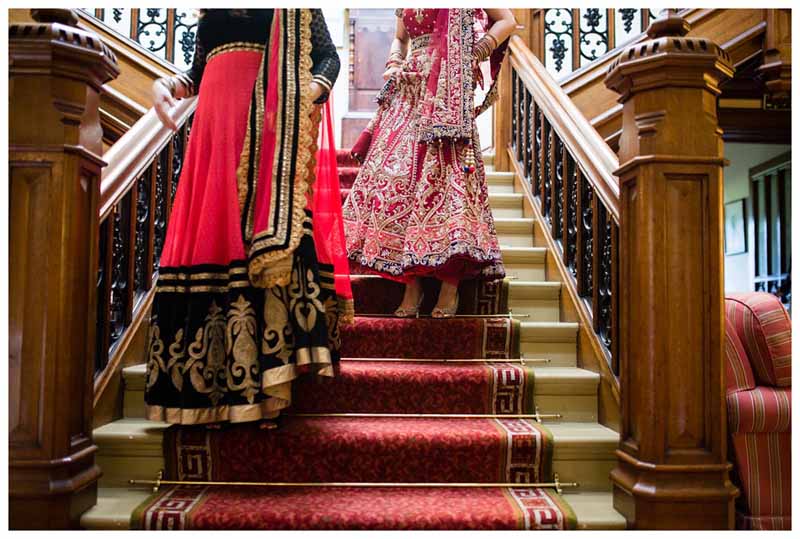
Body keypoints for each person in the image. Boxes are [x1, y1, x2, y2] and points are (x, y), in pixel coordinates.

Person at [145, 8, 352, 429]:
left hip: (268, 134)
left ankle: (267, 389)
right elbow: (198, 70)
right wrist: (164, 85)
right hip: (214, 132)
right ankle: (211, 391)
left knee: (260, 244)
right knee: (214, 242)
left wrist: (298, 97)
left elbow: (328, 58)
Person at [343, 8, 516, 318]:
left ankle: (449, 284)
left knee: (446, 179)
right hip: (410, 89)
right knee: (401, 178)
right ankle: (412, 282)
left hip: (446, 93)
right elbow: (400, 38)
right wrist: (395, 63)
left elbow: (507, 20)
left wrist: (472, 55)